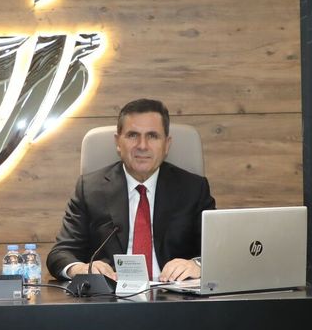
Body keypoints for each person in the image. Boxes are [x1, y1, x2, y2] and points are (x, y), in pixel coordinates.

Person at [46, 98, 214, 283]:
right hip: (110, 295)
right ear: (118, 142)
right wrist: (80, 268)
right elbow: (60, 253)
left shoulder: (193, 189)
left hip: (174, 293)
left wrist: (197, 265)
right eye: (133, 135)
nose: (142, 146)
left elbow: (216, 251)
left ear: (167, 144)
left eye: (152, 136)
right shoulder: (90, 189)